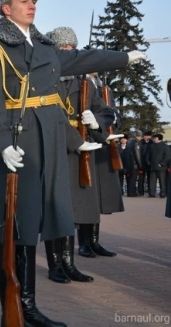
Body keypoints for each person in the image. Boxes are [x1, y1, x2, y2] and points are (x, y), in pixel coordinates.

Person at [0, 0, 146, 326]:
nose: (32, 5)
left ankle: (28, 305)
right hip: (19, 143)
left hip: (48, 142)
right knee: (12, 225)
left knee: (34, 221)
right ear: (6, 8)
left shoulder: (45, 46)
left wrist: (123, 57)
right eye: (24, 1)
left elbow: (83, 59)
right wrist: (2, 144)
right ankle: (14, 307)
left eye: (34, 0)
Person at [43, 26, 112, 284]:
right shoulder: (43, 81)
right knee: (55, 209)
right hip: (53, 149)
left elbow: (105, 111)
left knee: (73, 209)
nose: (68, 53)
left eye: (72, 49)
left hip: (80, 152)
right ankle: (55, 264)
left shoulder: (84, 85)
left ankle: (69, 262)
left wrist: (96, 123)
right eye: (63, 49)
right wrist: (76, 140)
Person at [84, 73, 125, 258]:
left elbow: (114, 114)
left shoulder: (104, 90)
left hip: (103, 146)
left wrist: (114, 118)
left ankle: (94, 241)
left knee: (98, 198)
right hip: (86, 142)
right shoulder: (81, 84)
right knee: (86, 195)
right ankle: (84, 243)